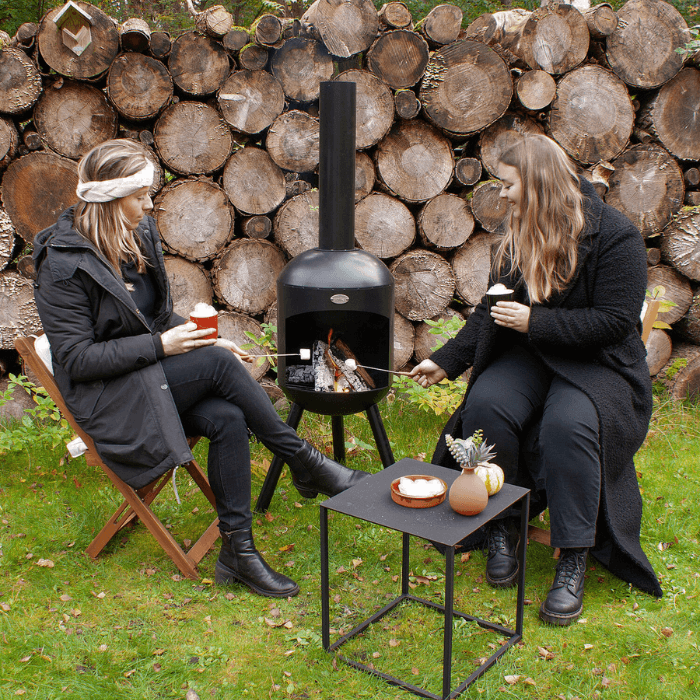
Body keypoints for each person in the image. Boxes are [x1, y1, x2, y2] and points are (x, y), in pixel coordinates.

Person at [32, 139, 369, 599]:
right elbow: (77, 359)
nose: (150, 205)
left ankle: (239, 552)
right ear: (110, 199)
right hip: (110, 400)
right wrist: (163, 345)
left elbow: (153, 317)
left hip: (150, 382)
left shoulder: (137, 235)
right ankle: (304, 461)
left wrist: (198, 336)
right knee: (215, 364)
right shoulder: (62, 265)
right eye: (140, 196)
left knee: (227, 415)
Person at [411, 135, 662, 625]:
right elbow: (493, 309)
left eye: (508, 184)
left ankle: (573, 556)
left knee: (569, 426)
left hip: (599, 363)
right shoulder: (515, 236)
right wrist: (447, 360)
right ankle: (503, 525)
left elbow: (615, 322)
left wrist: (534, 323)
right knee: (486, 406)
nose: (501, 195)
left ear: (540, 182)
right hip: (531, 356)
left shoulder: (617, 236)